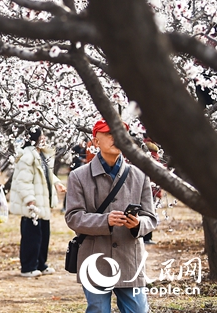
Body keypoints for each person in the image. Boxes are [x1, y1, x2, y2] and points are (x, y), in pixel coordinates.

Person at [65, 120, 157, 313]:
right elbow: (73, 217)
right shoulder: (78, 176)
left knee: (138, 310)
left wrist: (138, 224)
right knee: (98, 310)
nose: (115, 138)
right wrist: (104, 220)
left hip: (130, 259)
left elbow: (151, 218)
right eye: (108, 133)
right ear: (95, 141)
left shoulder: (140, 175)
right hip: (94, 259)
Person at [8, 127, 66, 277]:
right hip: (33, 203)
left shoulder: (42, 155)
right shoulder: (28, 156)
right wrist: (30, 200)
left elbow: (47, 173)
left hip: (43, 201)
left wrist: (56, 183)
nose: (45, 138)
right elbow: (23, 181)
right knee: (31, 236)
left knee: (43, 234)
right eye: (42, 136)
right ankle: (28, 266)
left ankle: (40, 264)